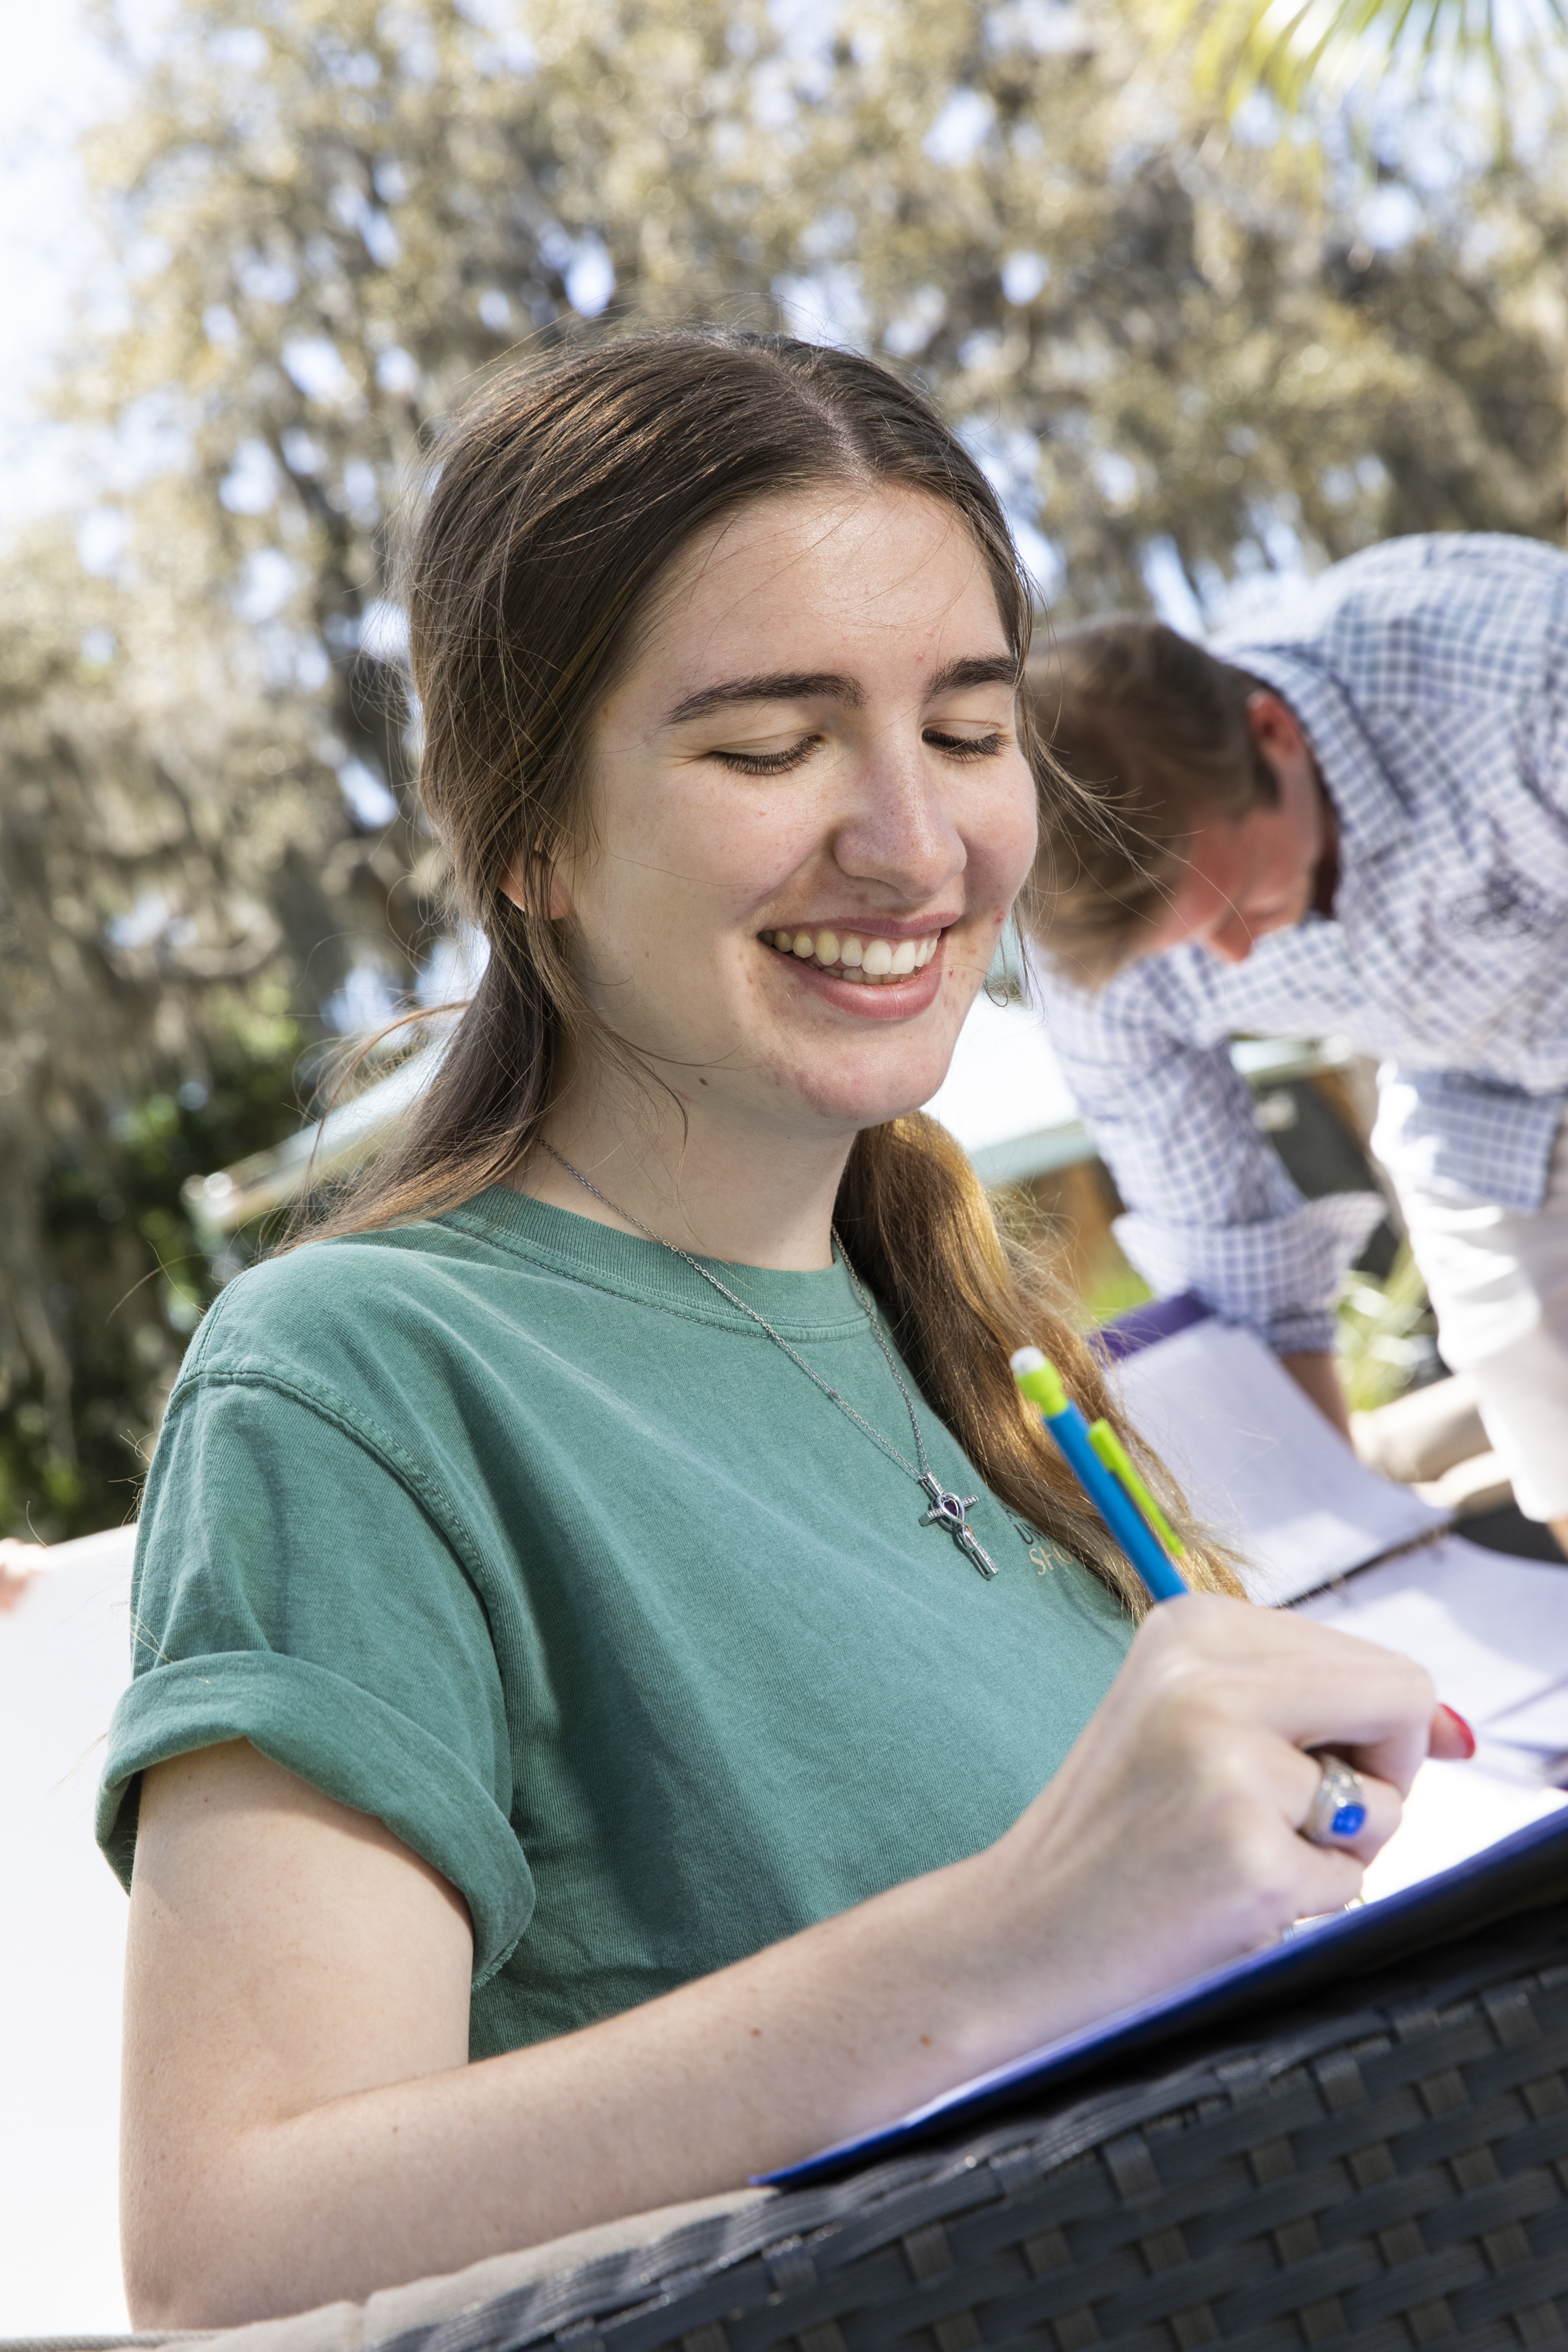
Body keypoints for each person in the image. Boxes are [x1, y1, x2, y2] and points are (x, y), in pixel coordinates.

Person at [99, 335, 1461, 2332]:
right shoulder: (357, 1384)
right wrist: (1015, 1931)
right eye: (764, 747)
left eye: (968, 729)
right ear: (529, 839)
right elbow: (232, 2256)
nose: (914, 848)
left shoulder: (976, 1340)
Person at [1025, 535, 1568, 1543]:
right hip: (1473, 1106)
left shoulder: (1515, 668)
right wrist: (1345, 1544)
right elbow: (1244, 1270)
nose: (1231, 960)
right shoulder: (1094, 965)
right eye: (1190, 939)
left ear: (1271, 731)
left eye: (1248, 900)